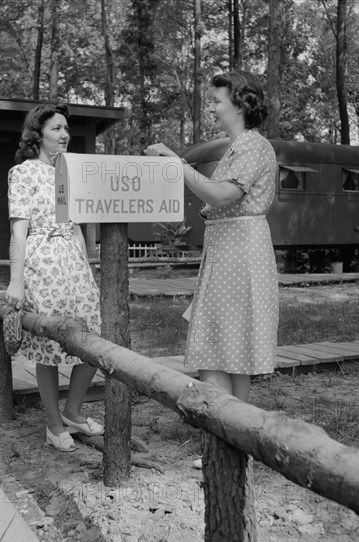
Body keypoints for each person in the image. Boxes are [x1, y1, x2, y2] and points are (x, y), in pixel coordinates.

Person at [146, 70, 279, 468]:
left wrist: (176, 163)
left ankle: (225, 446)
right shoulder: (239, 146)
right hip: (232, 250)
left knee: (221, 347)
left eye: (218, 100)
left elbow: (222, 195)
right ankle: (235, 443)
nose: (212, 107)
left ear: (240, 103)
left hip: (239, 251)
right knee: (230, 348)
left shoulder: (253, 146)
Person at [5, 103, 103, 452]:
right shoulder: (23, 173)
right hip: (41, 261)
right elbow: (18, 231)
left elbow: (74, 225)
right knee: (48, 344)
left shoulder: (68, 171)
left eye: (65, 128)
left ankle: (73, 411)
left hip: (73, 259)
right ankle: (52, 422)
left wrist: (87, 268)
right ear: (38, 134)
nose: (64, 135)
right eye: (56, 129)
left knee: (91, 333)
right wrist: (16, 280)